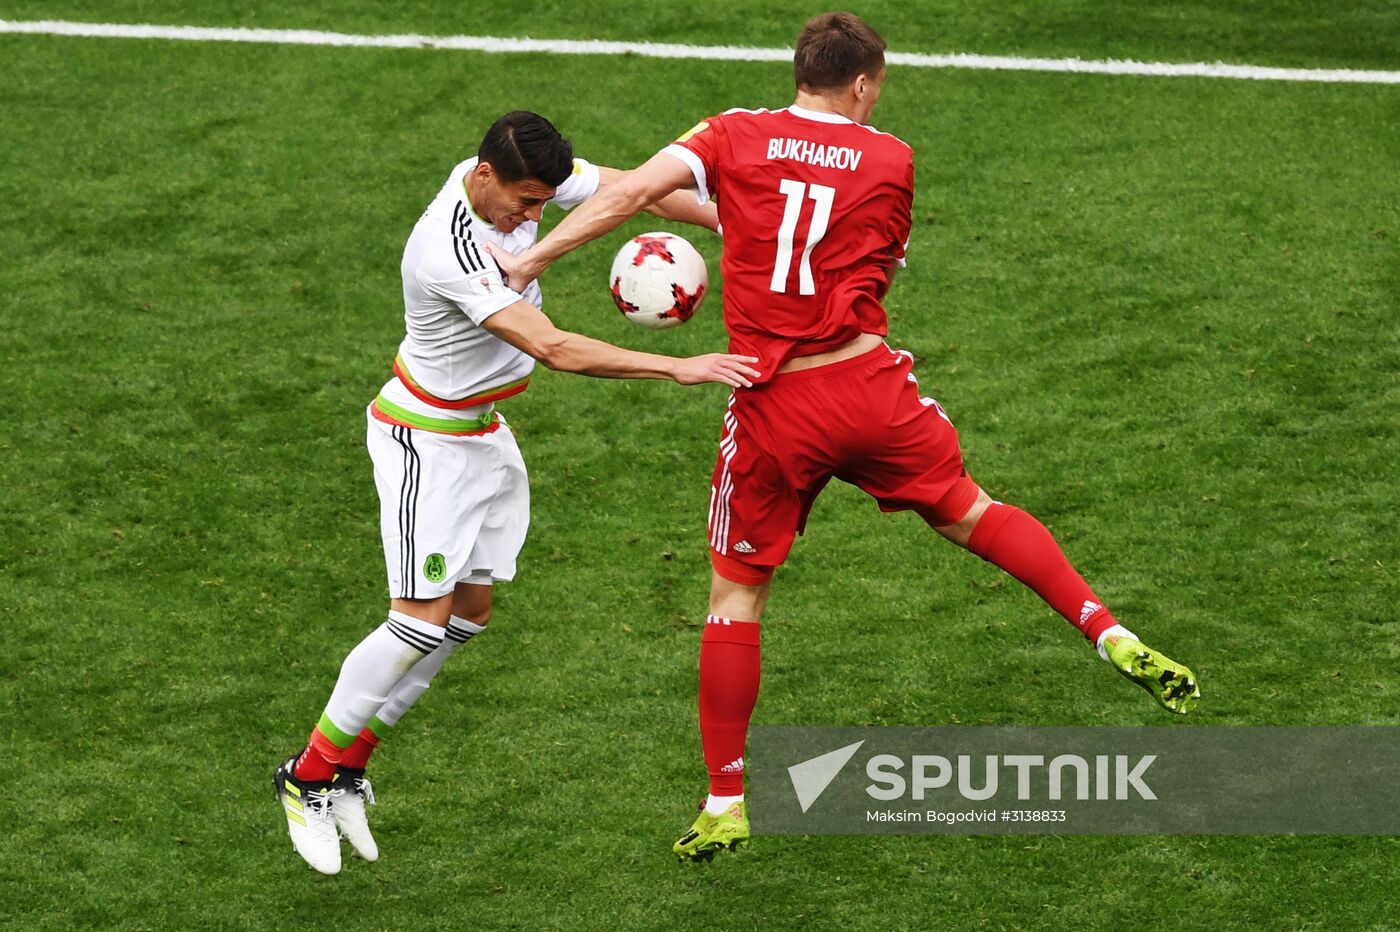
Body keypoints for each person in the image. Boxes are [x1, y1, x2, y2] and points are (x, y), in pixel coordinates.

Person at [489, 13, 1201, 862]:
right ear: (862, 83)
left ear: (800, 70)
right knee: (971, 510)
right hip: (867, 389)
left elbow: (635, 192)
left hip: (773, 404)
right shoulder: (892, 159)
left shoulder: (732, 133)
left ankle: (725, 800)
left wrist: (530, 262)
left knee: (735, 597)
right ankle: (1106, 629)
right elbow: (870, 262)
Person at [273, 110, 758, 875]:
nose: (533, 215)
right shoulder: (448, 250)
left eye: (543, 201)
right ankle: (306, 777)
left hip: (481, 437)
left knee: (468, 613)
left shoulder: (513, 179)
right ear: (484, 176)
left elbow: (635, 189)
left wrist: (732, 221)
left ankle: (348, 765)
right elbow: (553, 346)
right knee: (416, 624)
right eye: (525, 202)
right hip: (424, 442)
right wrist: (678, 367)